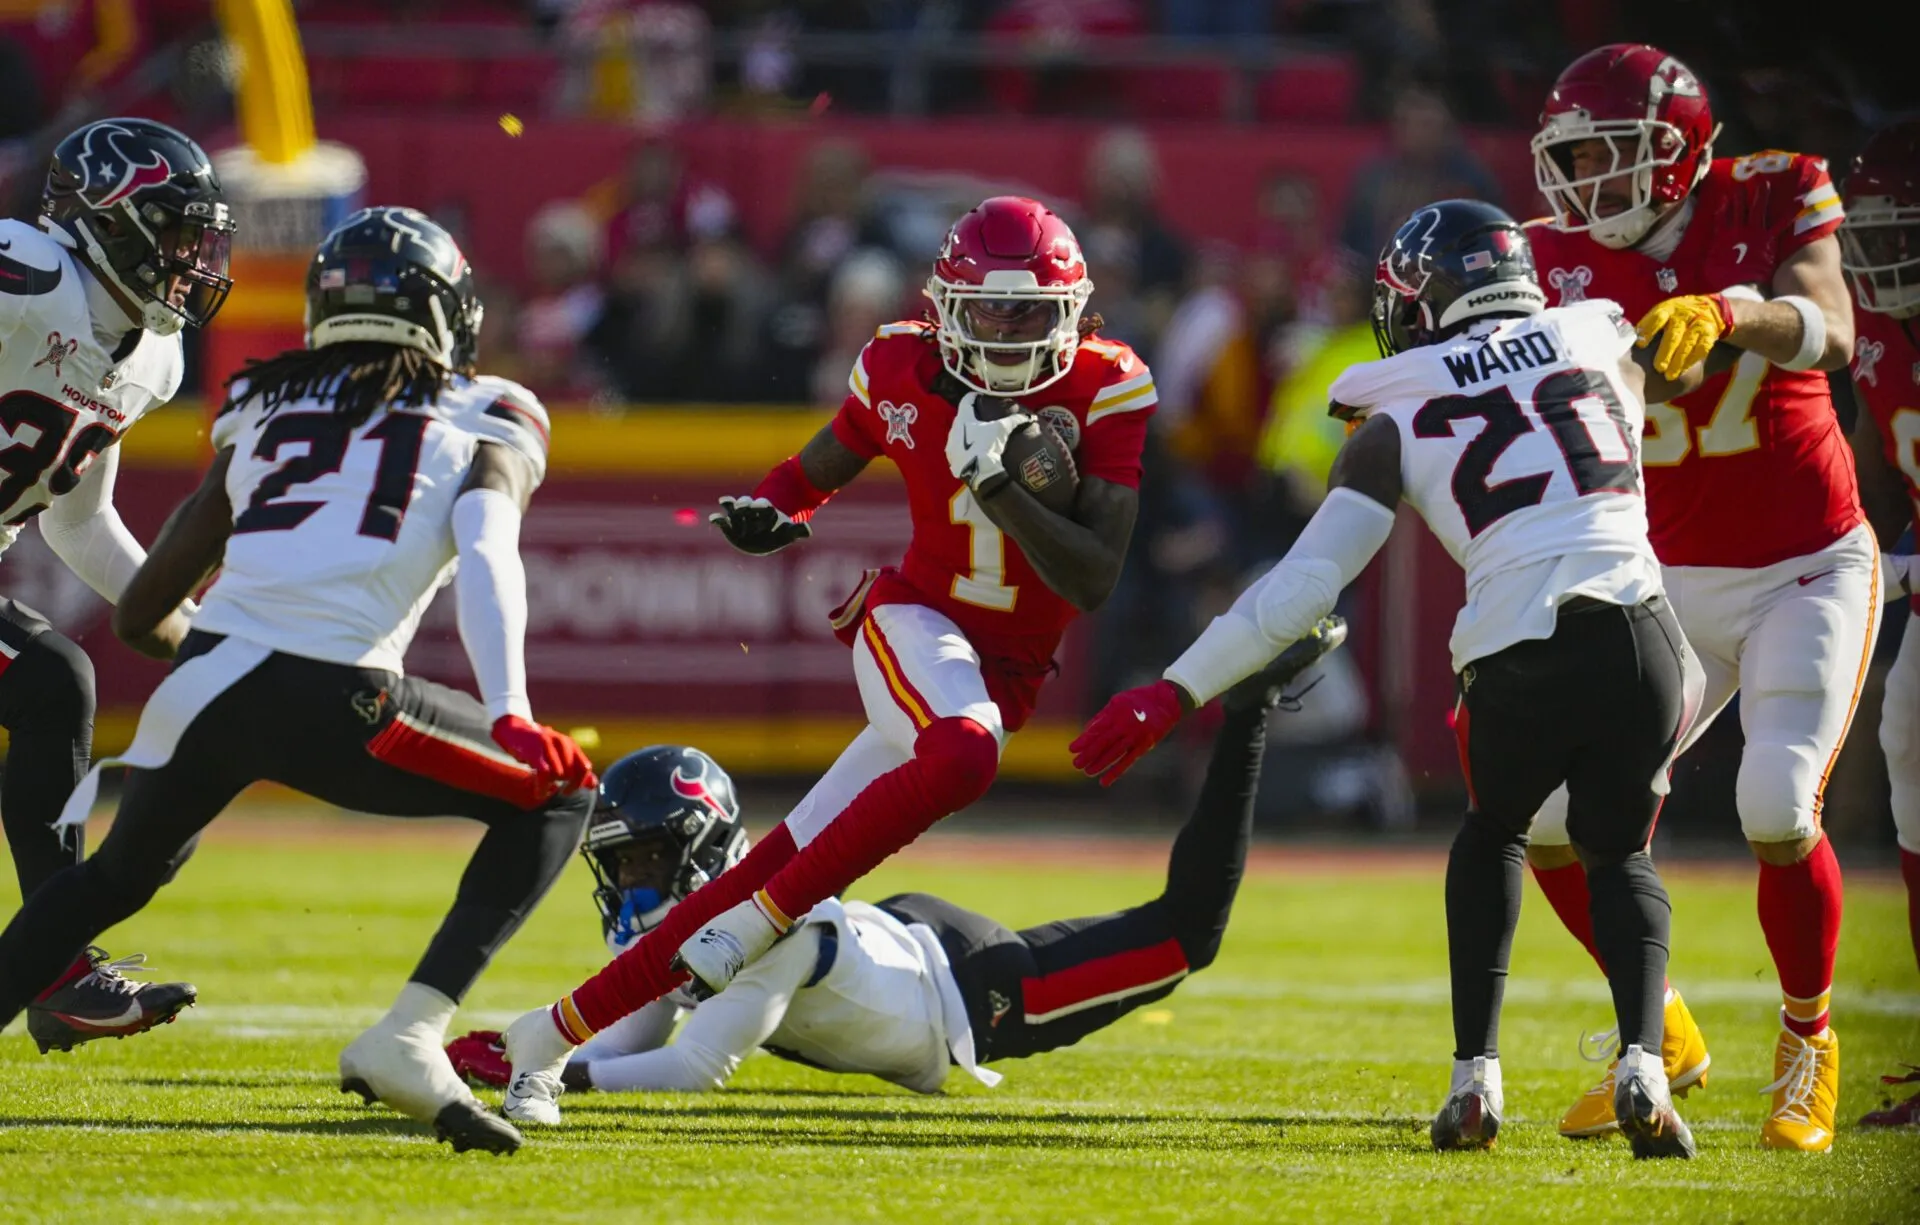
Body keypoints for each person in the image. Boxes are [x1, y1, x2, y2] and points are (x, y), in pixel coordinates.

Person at [1072, 199, 1713, 1158]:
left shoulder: (1393, 409)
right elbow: (1684, 364)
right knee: (1619, 853)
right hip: (1644, 634)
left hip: (1518, 648)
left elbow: (1299, 589)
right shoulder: (1595, 330)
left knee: (1494, 834)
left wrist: (1175, 690)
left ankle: (1475, 1081)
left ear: (1426, 301)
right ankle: (1645, 1068)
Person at [498, 195, 1157, 1123]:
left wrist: (999, 484)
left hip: (1003, 667)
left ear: (1075, 311)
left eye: (1033, 312)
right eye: (992, 310)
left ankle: (539, 1039)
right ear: (945, 307)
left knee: (759, 868)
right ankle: (756, 929)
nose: (1011, 333)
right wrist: (776, 507)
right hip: (914, 623)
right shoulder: (898, 363)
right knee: (962, 755)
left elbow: (1091, 579)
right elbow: (823, 463)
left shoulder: (1109, 384)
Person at [0, 206, 598, 1156]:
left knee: (113, 879)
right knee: (561, 798)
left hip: (202, 685)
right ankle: (407, 1035)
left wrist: (229, 663)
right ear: (448, 312)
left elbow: (141, 608)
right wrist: (513, 710)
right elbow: (489, 550)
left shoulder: (262, 399)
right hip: (341, 692)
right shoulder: (495, 409)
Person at [445, 622, 1341, 1099]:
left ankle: (1248, 702)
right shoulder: (716, 916)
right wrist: (540, 1053)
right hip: (895, 935)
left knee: (1185, 937)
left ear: (700, 847)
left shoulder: (768, 923)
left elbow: (693, 1067)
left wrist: (559, 1067)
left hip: (974, 986)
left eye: (646, 857)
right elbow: (637, 1027)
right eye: (624, 861)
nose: (633, 881)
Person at [1522, 44, 1871, 1151]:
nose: (1586, 186)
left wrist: (1734, 312)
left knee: (1775, 806)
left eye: (1607, 157)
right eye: (1569, 160)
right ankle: (1658, 1032)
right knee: (1548, 822)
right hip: (1661, 579)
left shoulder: (1771, 190)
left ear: (1678, 152)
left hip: (1803, 565)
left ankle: (1808, 1039)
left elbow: (1833, 325)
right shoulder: (1550, 254)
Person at [0, 117, 230, 1054]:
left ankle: (55, 971)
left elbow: (78, 521)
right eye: (175, 233)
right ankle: (55, 967)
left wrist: (189, 630)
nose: (190, 258)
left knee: (56, 686)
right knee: (55, 681)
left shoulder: (154, 357)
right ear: (105, 216)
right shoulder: (25, 273)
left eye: (197, 237)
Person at [1836, 118, 1920, 1130]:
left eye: (1903, 228)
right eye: (1870, 231)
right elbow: (1874, 475)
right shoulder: (1876, 328)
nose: (1882, 252)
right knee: (1904, 737)